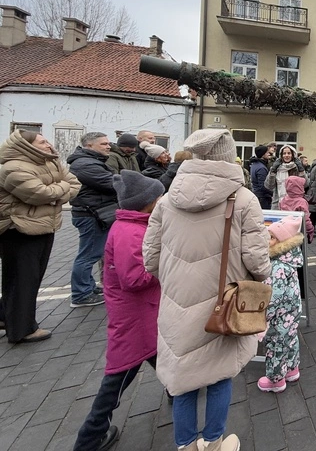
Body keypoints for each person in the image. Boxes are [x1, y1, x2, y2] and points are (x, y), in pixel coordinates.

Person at [143, 128, 271, 451]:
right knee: (218, 375)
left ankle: (185, 445)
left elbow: (150, 259)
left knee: (183, 379)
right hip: (222, 303)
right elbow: (257, 261)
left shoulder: (166, 199)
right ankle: (214, 442)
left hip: (176, 304)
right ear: (229, 157)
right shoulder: (244, 200)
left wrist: (177, 281)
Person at [73, 170, 164, 451]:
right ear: (146, 202)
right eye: (158, 196)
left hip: (142, 315)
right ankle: (90, 438)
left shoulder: (133, 225)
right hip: (135, 318)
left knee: (160, 356)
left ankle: (180, 389)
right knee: (119, 377)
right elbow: (135, 278)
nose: (162, 200)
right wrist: (166, 265)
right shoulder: (131, 232)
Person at [0, 130, 80, 343]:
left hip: (43, 227)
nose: (48, 145)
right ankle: (22, 330)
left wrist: (55, 192)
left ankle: (5, 317)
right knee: (23, 279)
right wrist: (59, 191)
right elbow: (39, 194)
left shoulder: (48, 162)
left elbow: (75, 184)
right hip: (19, 231)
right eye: (42, 142)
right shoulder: (12, 167)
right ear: (27, 146)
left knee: (27, 278)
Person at [68, 132, 117, 308]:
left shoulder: (90, 161)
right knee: (88, 255)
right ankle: (81, 294)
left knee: (91, 252)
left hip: (94, 213)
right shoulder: (85, 164)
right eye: (103, 144)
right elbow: (111, 183)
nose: (108, 146)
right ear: (89, 146)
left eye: (108, 143)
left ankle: (87, 286)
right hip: (91, 214)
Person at [258, 216, 304, 393]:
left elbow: (273, 297)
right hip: (291, 312)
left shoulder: (277, 267)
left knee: (275, 346)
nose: (267, 241)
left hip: (279, 317)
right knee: (291, 340)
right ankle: (292, 369)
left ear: (282, 242)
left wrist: (263, 317)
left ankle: (275, 380)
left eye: (271, 237)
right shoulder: (290, 261)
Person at [267, 144, 306, 210]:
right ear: (281, 155)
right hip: (278, 205)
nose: (286, 155)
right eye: (284, 153)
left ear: (293, 155)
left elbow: (305, 184)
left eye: (289, 153)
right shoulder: (276, 168)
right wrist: (273, 172)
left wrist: (301, 171)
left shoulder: (297, 168)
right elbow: (269, 186)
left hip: (294, 205)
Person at [279, 175, 315, 242]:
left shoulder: (284, 199)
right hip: (298, 231)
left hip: (286, 230)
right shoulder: (301, 202)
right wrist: (310, 230)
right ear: (299, 187)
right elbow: (306, 219)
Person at [250, 145, 273, 210]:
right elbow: (263, 186)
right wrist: (273, 193)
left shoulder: (254, 164)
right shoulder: (261, 168)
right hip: (262, 198)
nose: (269, 154)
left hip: (257, 195)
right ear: (262, 154)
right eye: (267, 152)